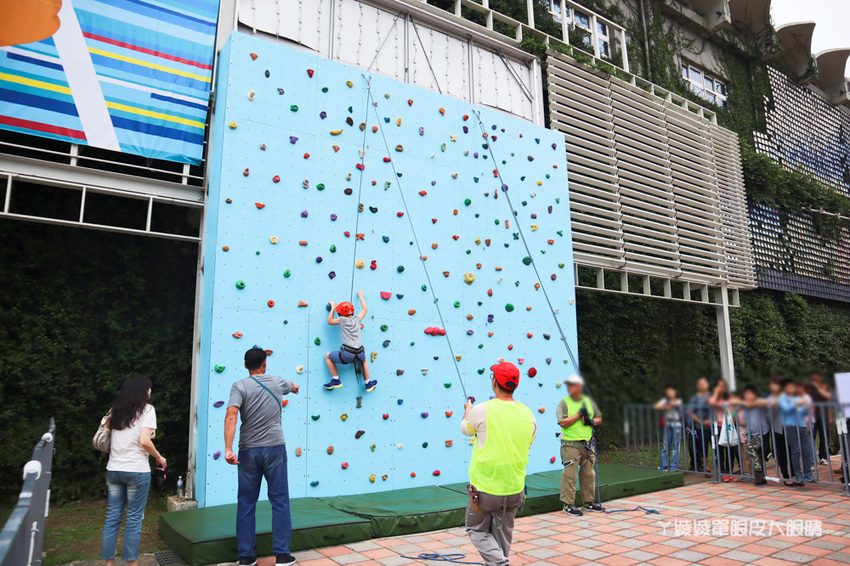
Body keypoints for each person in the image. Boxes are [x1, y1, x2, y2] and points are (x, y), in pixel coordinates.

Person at [225, 347, 300, 566]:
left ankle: (246, 557)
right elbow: (291, 386)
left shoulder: (238, 386)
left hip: (248, 450)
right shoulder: (277, 382)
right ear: (265, 364)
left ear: (245, 365)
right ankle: (282, 555)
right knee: (280, 500)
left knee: (246, 503)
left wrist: (228, 449)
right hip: (275, 449)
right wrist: (295, 388)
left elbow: (231, 417)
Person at [461, 360, 537, 566]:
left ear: (494, 382)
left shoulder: (481, 409)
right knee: (502, 536)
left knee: (476, 529)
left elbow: (466, 429)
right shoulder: (529, 414)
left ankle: (501, 563)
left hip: (485, 490)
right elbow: (527, 445)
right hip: (514, 489)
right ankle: (500, 562)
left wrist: (468, 409)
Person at [101, 374, 166, 566]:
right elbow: (144, 441)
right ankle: (131, 564)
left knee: (112, 518)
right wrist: (159, 457)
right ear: (143, 390)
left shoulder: (115, 409)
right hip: (136, 470)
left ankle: (109, 564)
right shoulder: (147, 410)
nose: (150, 391)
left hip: (114, 470)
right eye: (149, 388)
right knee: (134, 519)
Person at [557, 374, 603, 516]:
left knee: (589, 474)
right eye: (568, 384)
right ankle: (568, 505)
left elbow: (599, 418)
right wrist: (578, 415)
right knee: (569, 475)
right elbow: (562, 422)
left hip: (587, 444)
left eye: (573, 384)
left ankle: (588, 502)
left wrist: (591, 422)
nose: (569, 387)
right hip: (570, 444)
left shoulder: (589, 402)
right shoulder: (564, 402)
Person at [324, 290, 376, 392]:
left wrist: (333, 307)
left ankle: (336, 380)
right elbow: (364, 309)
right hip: (360, 353)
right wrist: (360, 296)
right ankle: (368, 383)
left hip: (347, 354)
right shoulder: (357, 320)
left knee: (327, 356)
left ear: (340, 313)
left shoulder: (342, 320)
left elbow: (329, 321)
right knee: (364, 361)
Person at [777, 379, 814, 485]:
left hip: (802, 425)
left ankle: (808, 472)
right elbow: (786, 409)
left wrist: (807, 422)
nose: (792, 388)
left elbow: (805, 411)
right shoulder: (783, 398)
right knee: (795, 450)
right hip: (790, 426)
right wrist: (798, 403)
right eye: (789, 386)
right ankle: (797, 473)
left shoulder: (798, 398)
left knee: (806, 450)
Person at [737, 386, 770, 484]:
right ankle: (761, 478)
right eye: (745, 395)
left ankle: (758, 470)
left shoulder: (759, 402)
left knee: (750, 448)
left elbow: (765, 402)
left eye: (749, 394)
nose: (747, 397)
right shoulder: (746, 408)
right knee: (758, 455)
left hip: (762, 433)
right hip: (752, 433)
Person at [766, 375, 791, 483]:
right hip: (777, 428)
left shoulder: (787, 396)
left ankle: (795, 474)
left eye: (775, 384)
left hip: (790, 427)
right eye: (771, 384)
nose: (773, 386)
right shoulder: (770, 398)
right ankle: (786, 476)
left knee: (791, 451)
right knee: (782, 452)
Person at [654, 385, 683, 472]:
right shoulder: (665, 400)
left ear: (675, 392)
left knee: (676, 445)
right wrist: (666, 406)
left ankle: (675, 465)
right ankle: (665, 464)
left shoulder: (678, 400)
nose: (669, 393)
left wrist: (667, 405)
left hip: (676, 424)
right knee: (666, 445)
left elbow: (676, 404)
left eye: (671, 391)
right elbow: (656, 406)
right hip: (667, 424)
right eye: (667, 392)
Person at [687, 377, 713, 473]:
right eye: (700, 384)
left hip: (714, 427)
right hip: (701, 427)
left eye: (704, 383)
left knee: (718, 448)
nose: (702, 386)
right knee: (703, 448)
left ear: (708, 385)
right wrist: (701, 421)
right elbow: (691, 412)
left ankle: (722, 468)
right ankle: (707, 468)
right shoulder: (695, 399)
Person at [808, 371, 833, 465]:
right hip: (812, 416)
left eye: (815, 378)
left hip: (823, 415)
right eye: (812, 378)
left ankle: (824, 457)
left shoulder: (824, 387)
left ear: (820, 378)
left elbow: (828, 397)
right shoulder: (808, 388)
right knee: (811, 437)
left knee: (824, 436)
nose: (813, 380)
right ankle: (812, 458)